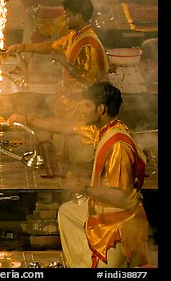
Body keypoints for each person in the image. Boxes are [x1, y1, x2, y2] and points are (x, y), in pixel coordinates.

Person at [6, 0, 110, 171]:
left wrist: (67, 66)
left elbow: (92, 82)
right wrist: (21, 47)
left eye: (68, 15)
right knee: (60, 146)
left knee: (79, 158)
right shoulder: (74, 36)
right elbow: (51, 46)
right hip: (68, 99)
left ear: (80, 16)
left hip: (84, 105)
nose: (65, 19)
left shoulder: (89, 43)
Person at [57, 81, 149, 268]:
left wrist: (83, 187)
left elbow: (121, 197)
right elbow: (65, 127)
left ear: (101, 109)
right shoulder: (105, 129)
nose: (82, 110)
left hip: (120, 223)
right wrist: (28, 120)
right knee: (67, 211)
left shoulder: (118, 145)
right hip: (104, 210)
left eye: (86, 105)